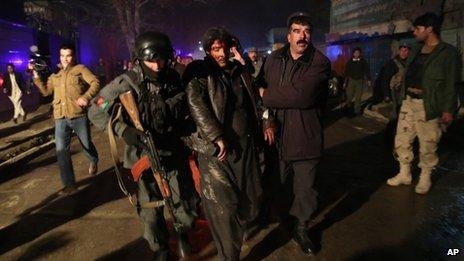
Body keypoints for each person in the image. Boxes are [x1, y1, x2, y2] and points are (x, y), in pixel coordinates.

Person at [88, 31, 198, 259]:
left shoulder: (176, 78)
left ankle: (182, 233)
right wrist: (123, 130)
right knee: (150, 212)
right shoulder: (126, 82)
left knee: (186, 208)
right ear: (139, 59)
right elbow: (95, 110)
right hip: (143, 157)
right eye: (151, 60)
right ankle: (161, 249)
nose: (157, 66)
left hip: (174, 152)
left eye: (161, 60)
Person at [184, 27, 274, 261]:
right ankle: (228, 256)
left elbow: (256, 101)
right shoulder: (199, 72)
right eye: (216, 49)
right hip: (217, 154)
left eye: (224, 48)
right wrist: (215, 135)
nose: (221, 53)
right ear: (208, 51)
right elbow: (196, 103)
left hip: (245, 150)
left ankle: (235, 238)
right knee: (224, 209)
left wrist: (266, 122)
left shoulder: (240, 71)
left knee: (249, 202)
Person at [257, 11, 331, 255]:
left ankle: (302, 227)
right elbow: (259, 87)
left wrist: (265, 95)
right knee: (273, 181)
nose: (303, 36)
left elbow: (302, 96)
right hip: (276, 135)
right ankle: (267, 213)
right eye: (297, 31)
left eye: (307, 31)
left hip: (305, 136)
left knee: (305, 190)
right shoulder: (273, 59)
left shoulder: (319, 62)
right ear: (288, 35)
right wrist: (267, 120)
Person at [387, 13, 459, 194]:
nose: (414, 32)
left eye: (417, 29)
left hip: (429, 104)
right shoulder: (415, 49)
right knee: (402, 139)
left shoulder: (448, 53)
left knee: (428, 143)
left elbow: (452, 83)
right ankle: (405, 173)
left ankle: (425, 176)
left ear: (429, 29)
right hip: (409, 102)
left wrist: (448, 110)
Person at [29, 43, 100, 195]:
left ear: (73, 56)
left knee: (86, 144)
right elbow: (46, 92)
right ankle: (70, 185)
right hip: (60, 117)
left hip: (78, 115)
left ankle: (93, 160)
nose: (65, 59)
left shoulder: (80, 69)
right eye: (62, 55)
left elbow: (95, 82)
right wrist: (36, 76)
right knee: (61, 151)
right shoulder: (55, 76)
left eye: (68, 55)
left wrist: (86, 97)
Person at [382, 42, 411, 118]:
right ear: (399, 51)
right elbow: (385, 79)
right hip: (395, 92)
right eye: (402, 50)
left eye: (406, 51)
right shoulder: (393, 63)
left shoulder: (410, 63)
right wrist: (386, 94)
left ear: (409, 52)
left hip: (407, 92)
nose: (403, 53)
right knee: (396, 112)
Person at [343, 47, 371, 116]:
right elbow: (346, 72)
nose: (356, 54)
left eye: (358, 53)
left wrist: (369, 79)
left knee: (358, 97)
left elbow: (367, 70)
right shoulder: (350, 62)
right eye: (355, 53)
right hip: (351, 80)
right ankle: (348, 107)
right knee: (349, 96)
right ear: (353, 54)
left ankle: (357, 111)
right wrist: (344, 82)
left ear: (359, 54)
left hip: (359, 81)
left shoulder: (363, 61)